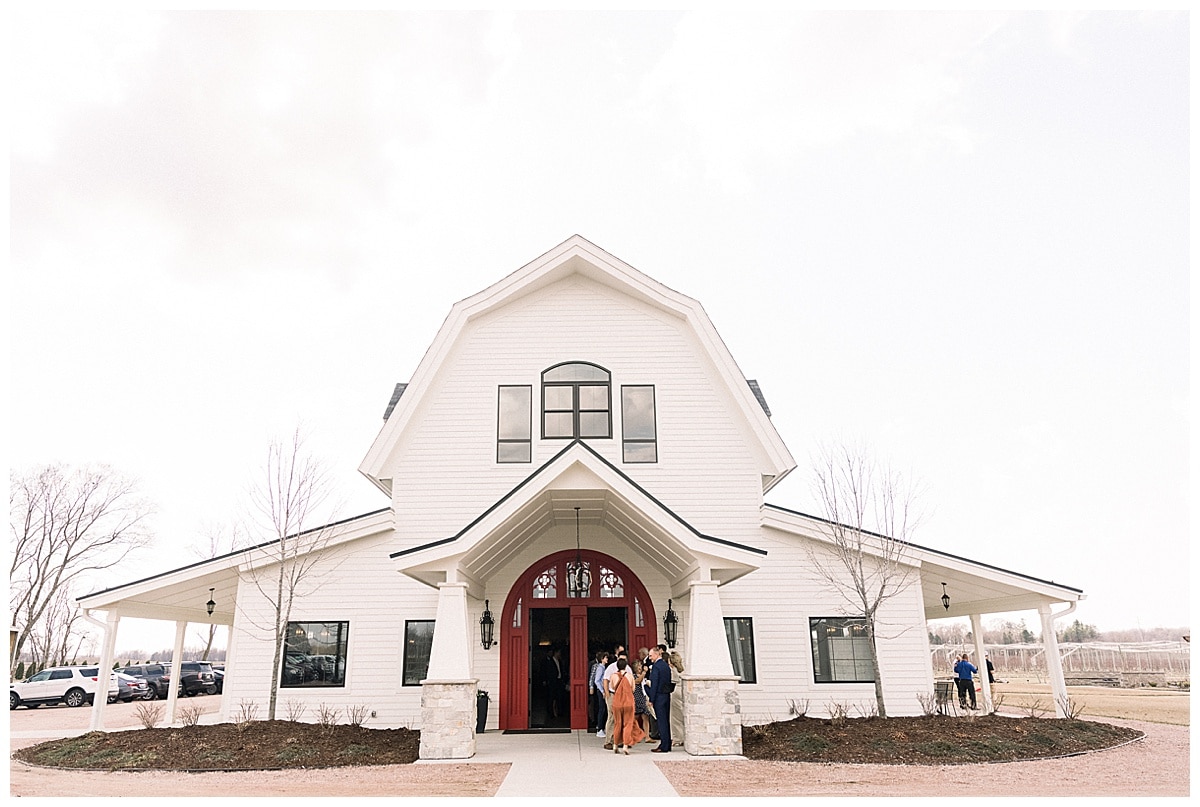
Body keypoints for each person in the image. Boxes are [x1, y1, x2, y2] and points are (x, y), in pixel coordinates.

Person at [607, 656, 645, 754]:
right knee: (628, 724)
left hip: (617, 702)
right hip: (628, 701)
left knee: (617, 723)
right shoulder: (630, 676)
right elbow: (633, 689)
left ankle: (615, 744)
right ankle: (625, 745)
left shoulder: (613, 676)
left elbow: (611, 687)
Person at [647, 645, 673, 752]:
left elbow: (655, 684)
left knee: (661, 722)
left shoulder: (657, 667)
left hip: (659, 697)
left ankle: (664, 746)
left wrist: (651, 699)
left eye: (651, 655)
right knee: (666, 721)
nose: (649, 658)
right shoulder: (666, 666)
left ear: (657, 654)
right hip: (666, 695)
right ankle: (667, 744)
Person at [601, 652, 625, 749]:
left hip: (623, 695)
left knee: (621, 717)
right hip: (612, 694)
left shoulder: (628, 668)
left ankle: (619, 739)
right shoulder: (611, 667)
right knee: (612, 716)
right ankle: (608, 741)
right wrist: (606, 693)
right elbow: (605, 680)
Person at [590, 651, 609, 737]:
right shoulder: (600, 668)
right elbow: (597, 680)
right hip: (601, 691)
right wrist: (602, 691)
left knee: (603, 709)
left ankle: (601, 727)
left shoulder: (603, 667)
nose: (607, 659)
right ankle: (599, 728)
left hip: (602, 690)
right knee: (601, 709)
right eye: (605, 658)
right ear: (602, 659)